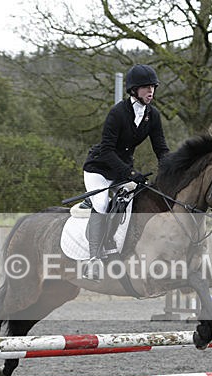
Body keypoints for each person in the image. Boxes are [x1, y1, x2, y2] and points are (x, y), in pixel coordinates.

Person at [81, 63, 170, 280]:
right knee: (102, 204)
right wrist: (130, 174)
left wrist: (172, 169)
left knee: (135, 201)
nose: (151, 91)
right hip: (99, 169)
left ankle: (117, 248)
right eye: (145, 87)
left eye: (153, 87)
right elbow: (107, 150)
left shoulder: (152, 115)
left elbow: (160, 148)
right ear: (133, 90)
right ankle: (94, 259)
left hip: (122, 171)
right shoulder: (117, 113)